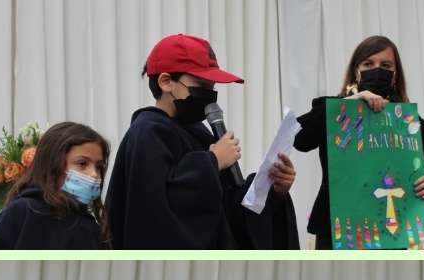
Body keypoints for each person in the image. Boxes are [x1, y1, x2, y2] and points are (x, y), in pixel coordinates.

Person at [106, 34, 297, 250]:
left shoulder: (197, 132)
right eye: (201, 85)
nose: (208, 95)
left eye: (211, 87)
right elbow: (154, 214)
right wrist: (212, 162)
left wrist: (271, 189)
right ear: (166, 82)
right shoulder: (147, 133)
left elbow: (225, 213)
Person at [294, 37, 424, 250]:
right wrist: (348, 104)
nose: (377, 70)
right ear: (356, 72)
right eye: (368, 64)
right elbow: (298, 138)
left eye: (386, 65)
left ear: (395, 74)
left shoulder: (410, 123)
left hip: (392, 236)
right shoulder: (333, 109)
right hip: (338, 232)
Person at [0, 122, 111, 249]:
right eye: (82, 163)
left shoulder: (90, 227)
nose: (94, 174)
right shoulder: (22, 212)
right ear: (52, 164)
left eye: (99, 166)